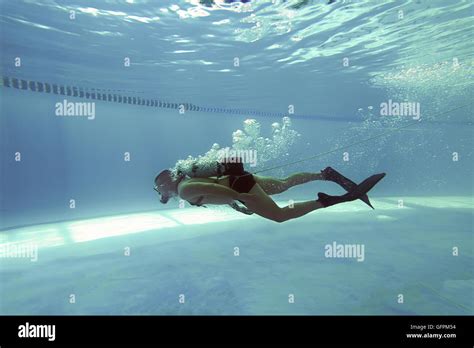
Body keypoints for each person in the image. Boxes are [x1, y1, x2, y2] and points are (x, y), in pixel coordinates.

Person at [154, 160, 385, 223]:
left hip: (240, 188)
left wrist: (241, 198)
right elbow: (215, 189)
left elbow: (211, 188)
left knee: (279, 216)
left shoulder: (184, 190)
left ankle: (327, 201)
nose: (161, 193)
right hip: (240, 180)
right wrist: (235, 203)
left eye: (159, 188)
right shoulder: (187, 181)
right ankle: (325, 174)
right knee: (283, 184)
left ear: (166, 183)